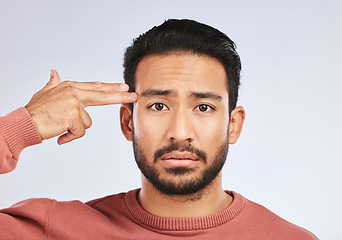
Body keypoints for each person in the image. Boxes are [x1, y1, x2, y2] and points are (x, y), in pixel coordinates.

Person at [0, 19, 318, 239]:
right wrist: (21, 126)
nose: (180, 132)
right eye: (158, 106)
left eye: (203, 107)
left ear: (233, 125)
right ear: (127, 122)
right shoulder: (53, 230)